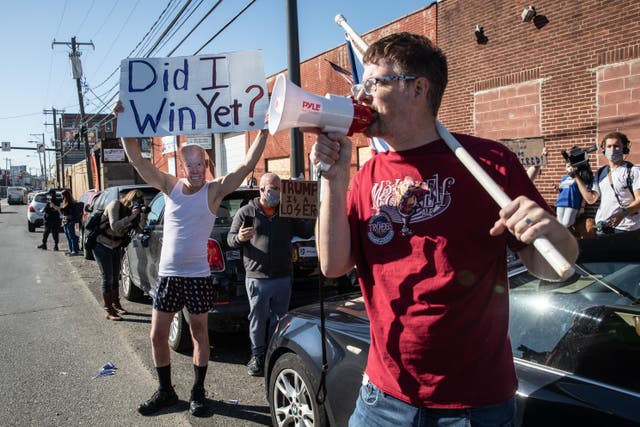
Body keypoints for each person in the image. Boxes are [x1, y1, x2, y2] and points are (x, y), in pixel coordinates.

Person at [310, 32, 578, 426]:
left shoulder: (488, 162)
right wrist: (333, 179)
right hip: (382, 398)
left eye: (373, 84)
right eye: (360, 85)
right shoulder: (366, 174)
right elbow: (332, 265)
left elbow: (554, 263)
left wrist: (550, 231)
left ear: (418, 88)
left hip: (474, 406)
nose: (361, 97)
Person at [115, 100, 268, 417]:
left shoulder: (214, 191)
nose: (195, 170)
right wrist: (124, 123)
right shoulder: (169, 186)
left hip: (198, 275)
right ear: (181, 167)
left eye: (199, 164)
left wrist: (264, 129)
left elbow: (247, 165)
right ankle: (166, 391)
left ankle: (198, 392)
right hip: (169, 276)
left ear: (206, 164)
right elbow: (138, 160)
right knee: (157, 335)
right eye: (189, 165)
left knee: (200, 334)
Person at [227, 172, 314, 376]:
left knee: (280, 319)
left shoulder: (286, 212)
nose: (275, 192)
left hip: (283, 276)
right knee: (257, 319)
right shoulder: (247, 213)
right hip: (257, 278)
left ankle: (274, 355)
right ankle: (257, 356)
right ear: (262, 189)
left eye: (278, 188)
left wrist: (310, 209)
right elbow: (230, 239)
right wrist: (239, 237)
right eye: (271, 188)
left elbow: (306, 232)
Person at [93, 189, 147, 321]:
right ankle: (108, 309)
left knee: (116, 276)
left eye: (140, 202)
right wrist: (132, 216)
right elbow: (115, 226)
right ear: (129, 198)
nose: (137, 204)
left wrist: (142, 218)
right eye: (136, 200)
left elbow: (138, 231)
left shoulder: (131, 212)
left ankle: (116, 304)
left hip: (116, 246)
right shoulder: (115, 205)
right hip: (102, 245)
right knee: (108, 277)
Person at [573, 132, 640, 235]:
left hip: (626, 228)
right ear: (604, 150)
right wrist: (575, 176)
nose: (612, 149)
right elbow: (591, 199)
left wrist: (623, 213)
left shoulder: (633, 171)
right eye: (609, 146)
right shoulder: (601, 173)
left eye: (616, 146)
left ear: (624, 148)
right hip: (602, 227)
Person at [60, 189, 80, 255]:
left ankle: (74, 250)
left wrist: (67, 216)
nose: (61, 197)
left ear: (65, 196)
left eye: (62, 195)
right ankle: (70, 249)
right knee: (68, 236)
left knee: (72, 236)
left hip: (71, 222)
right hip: (65, 221)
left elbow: (71, 214)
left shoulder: (71, 203)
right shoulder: (64, 203)